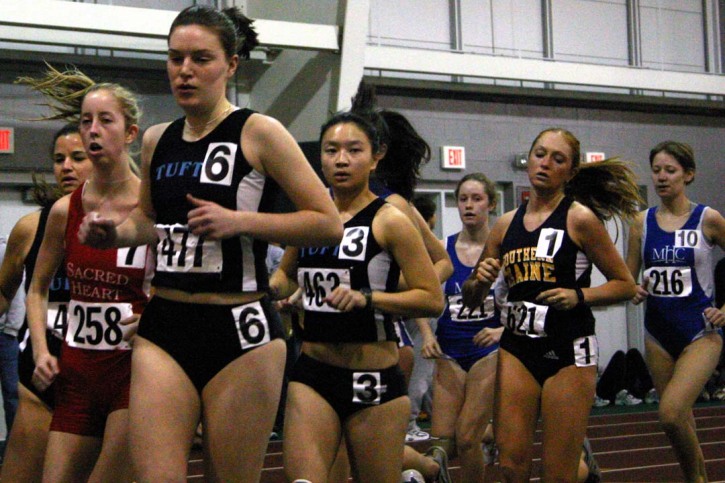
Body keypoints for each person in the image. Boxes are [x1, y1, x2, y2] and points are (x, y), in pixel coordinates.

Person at [78, 5, 343, 481]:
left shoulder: (259, 132)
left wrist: (240, 221)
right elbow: (149, 219)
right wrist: (113, 234)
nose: (184, 71)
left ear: (231, 64)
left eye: (200, 59)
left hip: (239, 327)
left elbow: (327, 224)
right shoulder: (158, 139)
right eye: (175, 58)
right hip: (166, 324)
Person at [270, 107, 444, 482]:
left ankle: (423, 475)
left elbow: (432, 298)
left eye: (353, 150)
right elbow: (286, 274)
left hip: (374, 375)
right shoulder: (311, 217)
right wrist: (274, 291)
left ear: (375, 156)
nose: (341, 160)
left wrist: (370, 297)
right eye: (331, 151)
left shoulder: (390, 219)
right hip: (313, 371)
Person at [463, 128, 641, 481]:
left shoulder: (579, 219)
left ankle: (581, 472)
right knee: (510, 465)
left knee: (557, 473)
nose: (545, 163)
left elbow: (625, 285)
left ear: (570, 172)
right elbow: (472, 299)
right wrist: (477, 280)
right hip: (517, 347)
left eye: (557, 159)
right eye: (540, 154)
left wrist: (579, 295)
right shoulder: (504, 225)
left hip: (569, 349)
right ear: (528, 159)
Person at [16, 66, 151, 482]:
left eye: (105, 121)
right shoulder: (64, 211)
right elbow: (36, 290)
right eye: (85, 121)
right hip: (75, 372)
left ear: (130, 133)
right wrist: (41, 350)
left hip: (133, 372)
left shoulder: (153, 204)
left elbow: (179, 285)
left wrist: (153, 321)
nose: (92, 131)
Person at [626, 140, 725, 482]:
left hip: (701, 332)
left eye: (670, 170)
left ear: (688, 174)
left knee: (669, 414)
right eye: (656, 171)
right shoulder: (641, 223)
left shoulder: (707, 219)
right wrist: (633, 288)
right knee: (679, 422)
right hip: (657, 333)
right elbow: (627, 276)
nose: (662, 177)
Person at [0, 123, 93, 482]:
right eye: (59, 159)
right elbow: (5, 290)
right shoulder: (31, 228)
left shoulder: (131, 225)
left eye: (77, 158)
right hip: (43, 370)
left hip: (104, 373)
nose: (66, 167)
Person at [417, 173, 503, 483]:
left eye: (477, 199)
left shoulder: (503, 252)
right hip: (449, 349)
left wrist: (502, 332)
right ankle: (493, 432)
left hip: (487, 348)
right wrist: (427, 335)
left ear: (491, 204)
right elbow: (421, 294)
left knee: (467, 438)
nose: (469, 206)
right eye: (463, 199)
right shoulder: (443, 248)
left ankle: (486, 434)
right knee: (442, 444)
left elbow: (523, 301)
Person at [0, 236, 24, 451]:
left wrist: (11, 330)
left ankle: (12, 452)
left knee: (13, 395)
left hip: (5, 336)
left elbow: (15, 295)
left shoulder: (4, 250)